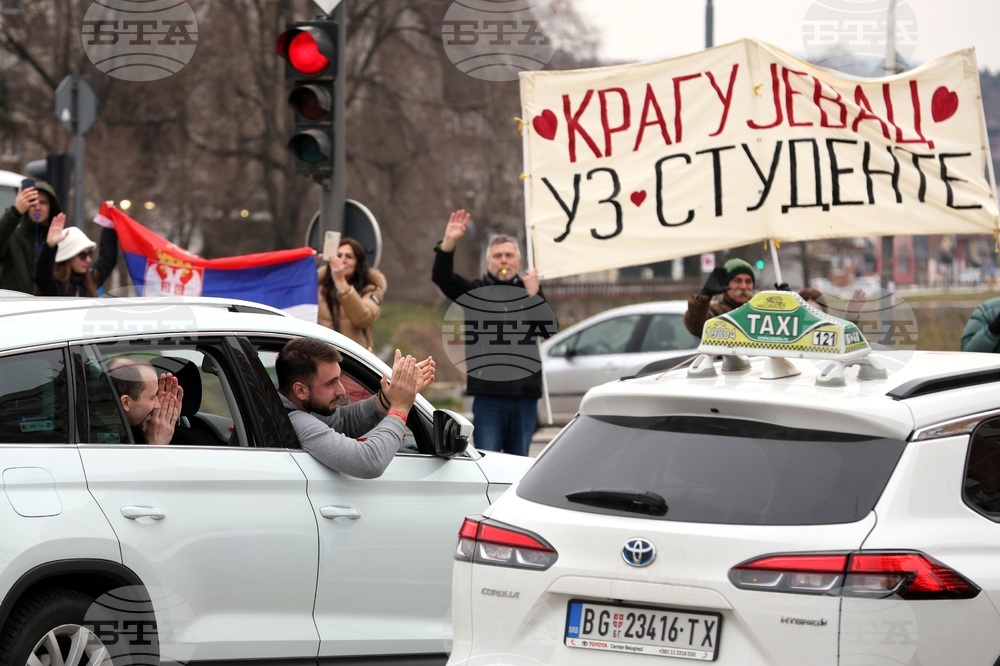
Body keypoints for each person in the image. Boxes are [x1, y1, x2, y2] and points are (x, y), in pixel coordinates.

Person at [431, 209, 556, 457]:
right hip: (489, 398)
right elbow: (442, 278)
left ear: (518, 262)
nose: (504, 260)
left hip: (525, 397)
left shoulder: (529, 292)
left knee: (518, 464)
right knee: (488, 462)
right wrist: (448, 244)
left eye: (509, 255)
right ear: (489, 262)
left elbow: (548, 329)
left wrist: (536, 295)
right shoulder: (475, 292)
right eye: (498, 256)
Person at [276, 337, 435, 478]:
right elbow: (369, 461)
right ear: (301, 390)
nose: (341, 390)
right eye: (330, 383)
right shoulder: (296, 422)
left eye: (339, 379)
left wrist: (388, 398)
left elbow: (340, 422)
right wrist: (399, 409)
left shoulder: (290, 406)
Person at [317, 237, 386, 351]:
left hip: (355, 360)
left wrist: (341, 283)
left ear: (358, 263)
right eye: (339, 256)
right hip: (323, 357)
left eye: (349, 257)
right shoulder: (320, 288)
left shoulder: (371, 289)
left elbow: (363, 319)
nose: (342, 260)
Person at [34, 210, 118, 296]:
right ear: (68, 256)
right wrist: (49, 246)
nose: (88, 259)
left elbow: (107, 260)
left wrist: (109, 223)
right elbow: (41, 275)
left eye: (90, 253)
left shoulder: (89, 281)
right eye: (82, 255)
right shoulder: (52, 285)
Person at [0, 180, 62, 293]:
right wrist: (15, 211)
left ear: (51, 206)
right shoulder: (13, 238)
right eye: (32, 203)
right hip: (16, 308)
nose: (37, 207)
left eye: (43, 202)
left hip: (50, 309)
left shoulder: (59, 240)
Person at [107, 357, 183, 445]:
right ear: (126, 402)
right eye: (152, 397)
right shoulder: (103, 438)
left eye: (157, 395)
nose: (157, 405)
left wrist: (170, 419)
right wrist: (157, 445)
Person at [684, 258, 757, 337]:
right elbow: (695, 326)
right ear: (726, 284)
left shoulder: (760, 312)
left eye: (748, 281)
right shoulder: (717, 312)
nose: (744, 286)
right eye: (737, 281)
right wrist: (704, 297)